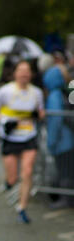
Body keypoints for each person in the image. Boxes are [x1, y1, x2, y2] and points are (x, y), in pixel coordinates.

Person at [0, 60, 45, 223]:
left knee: (27, 172)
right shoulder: (5, 91)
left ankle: (22, 208)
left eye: (27, 71)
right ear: (15, 73)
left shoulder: (37, 92)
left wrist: (38, 115)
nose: (24, 74)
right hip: (10, 138)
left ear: (31, 75)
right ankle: (8, 183)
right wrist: (3, 121)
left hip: (29, 136)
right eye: (21, 70)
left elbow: (41, 112)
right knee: (13, 179)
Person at [42, 65, 74, 208]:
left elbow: (55, 120)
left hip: (63, 141)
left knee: (64, 171)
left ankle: (65, 199)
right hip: (68, 139)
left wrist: (51, 141)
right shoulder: (63, 92)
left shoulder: (54, 95)